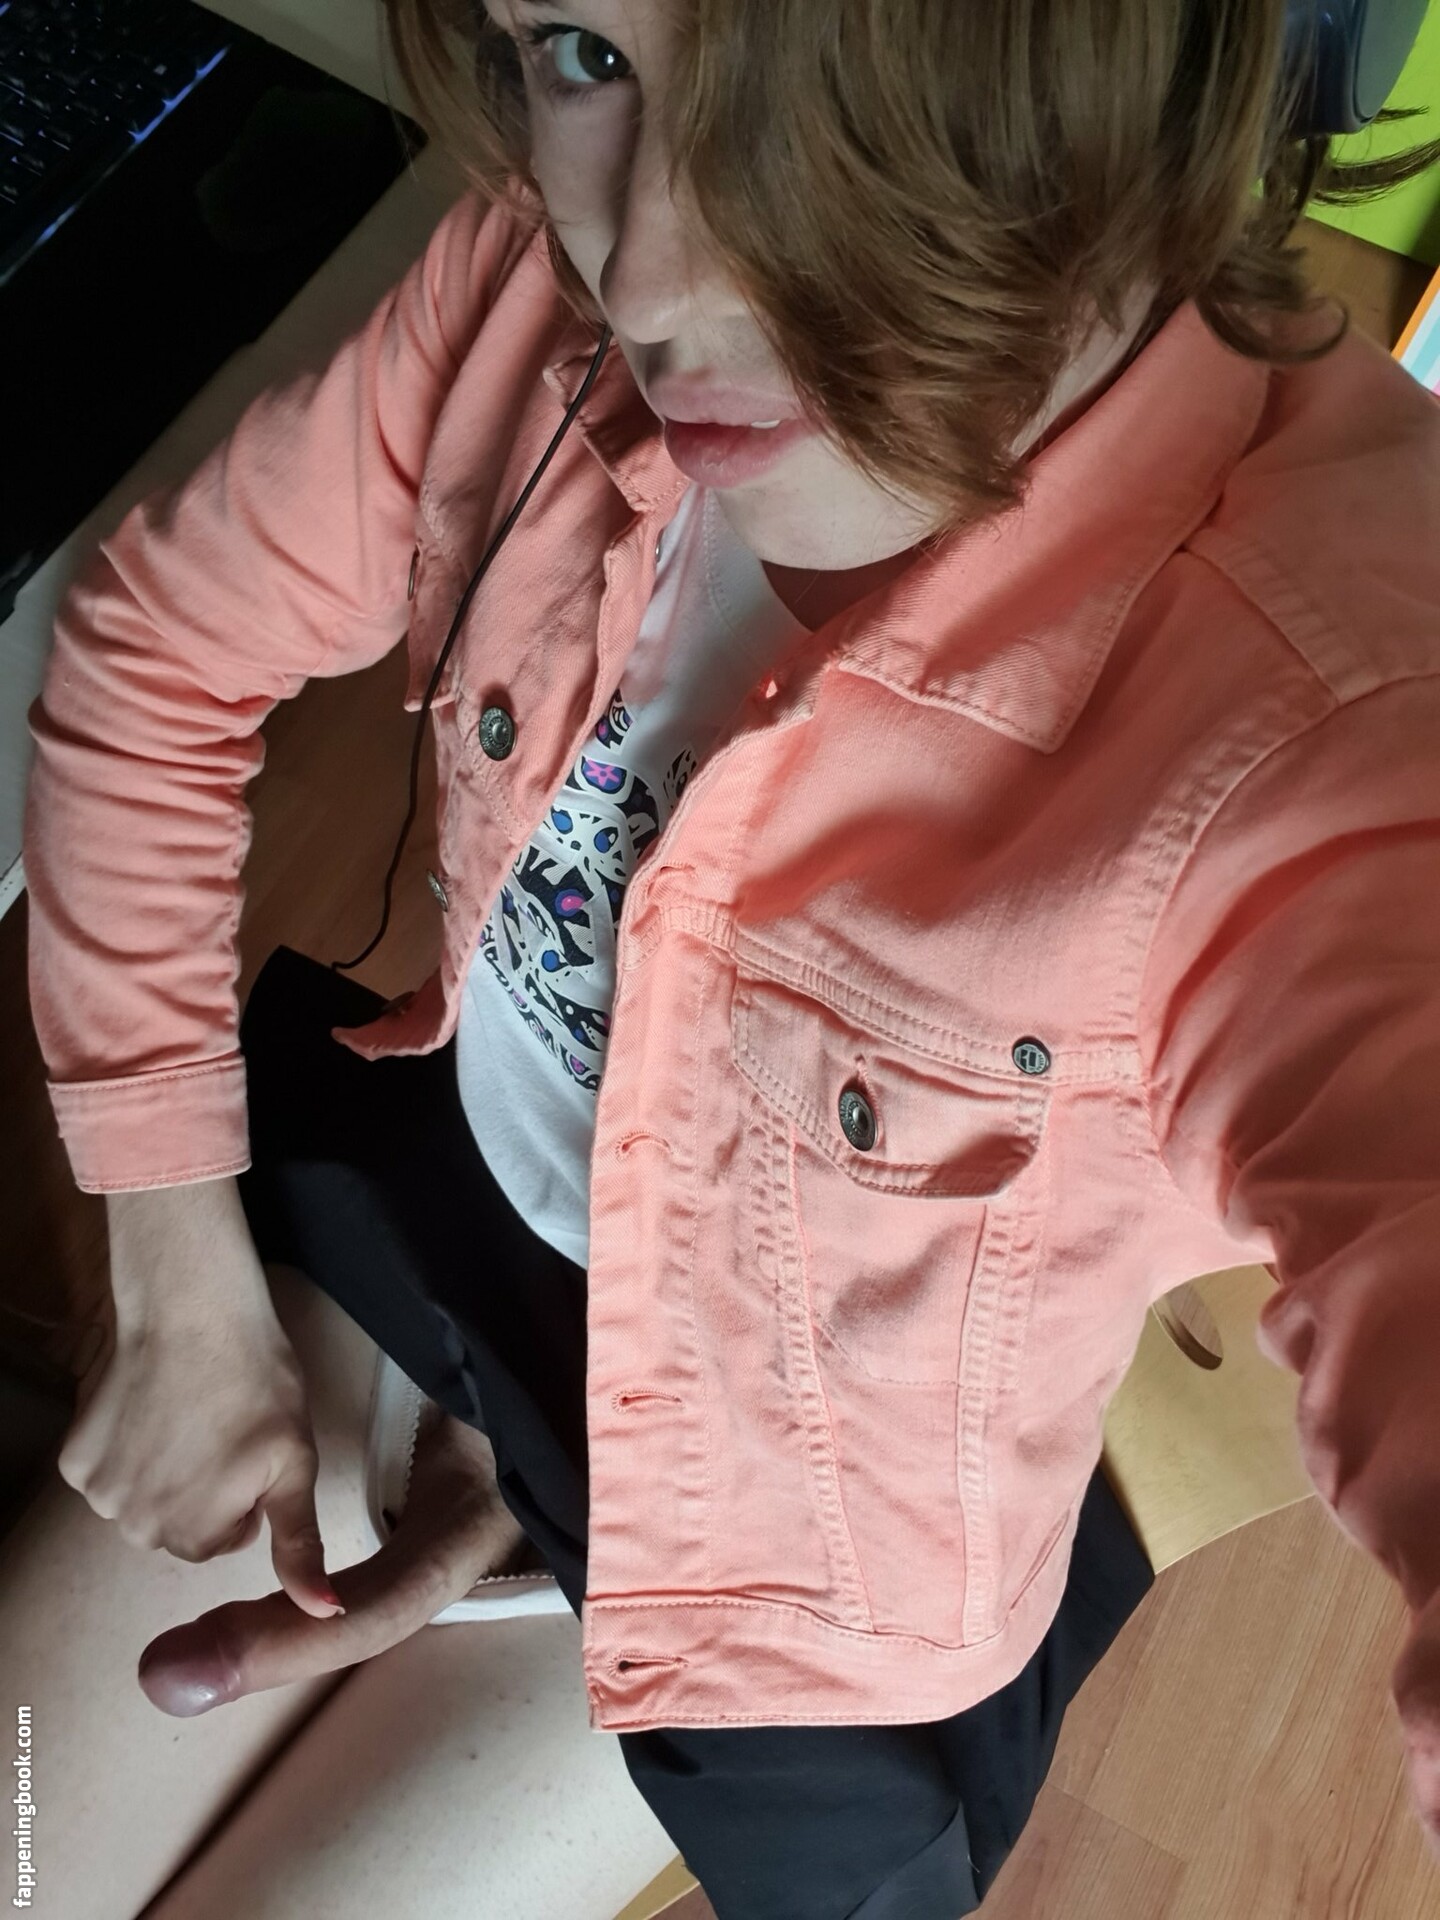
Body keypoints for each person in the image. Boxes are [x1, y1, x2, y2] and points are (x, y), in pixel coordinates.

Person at [16, 0, 1440, 1914]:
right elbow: (155, 654)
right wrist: (172, 1258)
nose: (649, 278)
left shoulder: (1338, 718)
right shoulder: (533, 296)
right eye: (587, 51)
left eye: (855, 83)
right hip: (450, 1235)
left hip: (790, 1579)